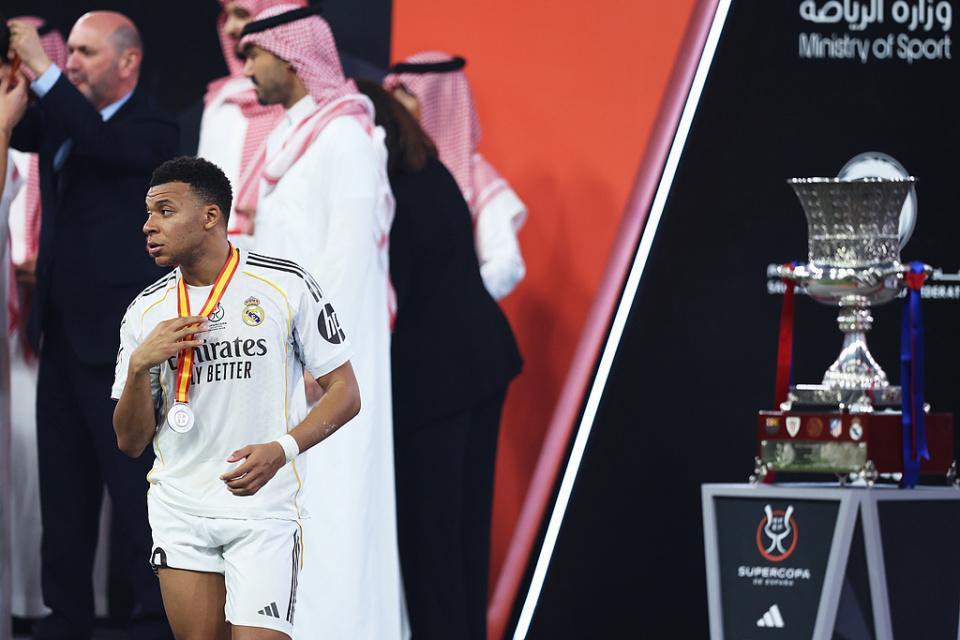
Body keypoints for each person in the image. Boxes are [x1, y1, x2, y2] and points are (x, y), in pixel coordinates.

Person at [113, 155, 361, 640]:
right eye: (148, 213)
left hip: (262, 511)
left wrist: (282, 450)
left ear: (211, 216)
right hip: (180, 508)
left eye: (165, 211)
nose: (148, 225)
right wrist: (141, 364)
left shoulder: (284, 284)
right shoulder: (146, 311)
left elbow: (346, 393)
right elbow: (130, 441)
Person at [7, 12, 178, 638]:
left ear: (128, 61)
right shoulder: (62, 118)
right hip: (58, 334)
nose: (70, 62)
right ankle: (66, 616)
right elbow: (19, 124)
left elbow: (102, 145)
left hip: (124, 347)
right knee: (64, 491)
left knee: (135, 490)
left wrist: (44, 69)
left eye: (85, 52)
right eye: (68, 52)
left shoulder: (154, 128)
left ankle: (154, 618)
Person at [238, 6, 405, 638]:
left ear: (291, 57)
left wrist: (320, 360)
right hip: (288, 360)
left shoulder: (345, 139)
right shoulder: (292, 138)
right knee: (298, 506)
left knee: (335, 503)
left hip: (331, 371)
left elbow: (350, 259)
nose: (246, 68)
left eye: (255, 55)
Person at [357, 79, 522, 640]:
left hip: (434, 378)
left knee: (430, 538)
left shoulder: (389, 189)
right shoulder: (433, 169)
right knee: (464, 529)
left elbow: (388, 294)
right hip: (481, 360)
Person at [6, 15, 67, 620]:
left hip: (51, 322)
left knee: (45, 467)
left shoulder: (61, 130)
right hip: (11, 325)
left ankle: (46, 603)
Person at [385, 52, 528, 300]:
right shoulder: (388, 165)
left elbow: (506, 265)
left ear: (439, 102)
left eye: (407, 93)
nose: (397, 104)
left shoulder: (476, 176)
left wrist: (452, 302)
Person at [197, 0, 304, 245]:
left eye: (241, 14)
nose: (230, 28)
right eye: (227, 16)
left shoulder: (314, 111)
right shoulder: (220, 100)